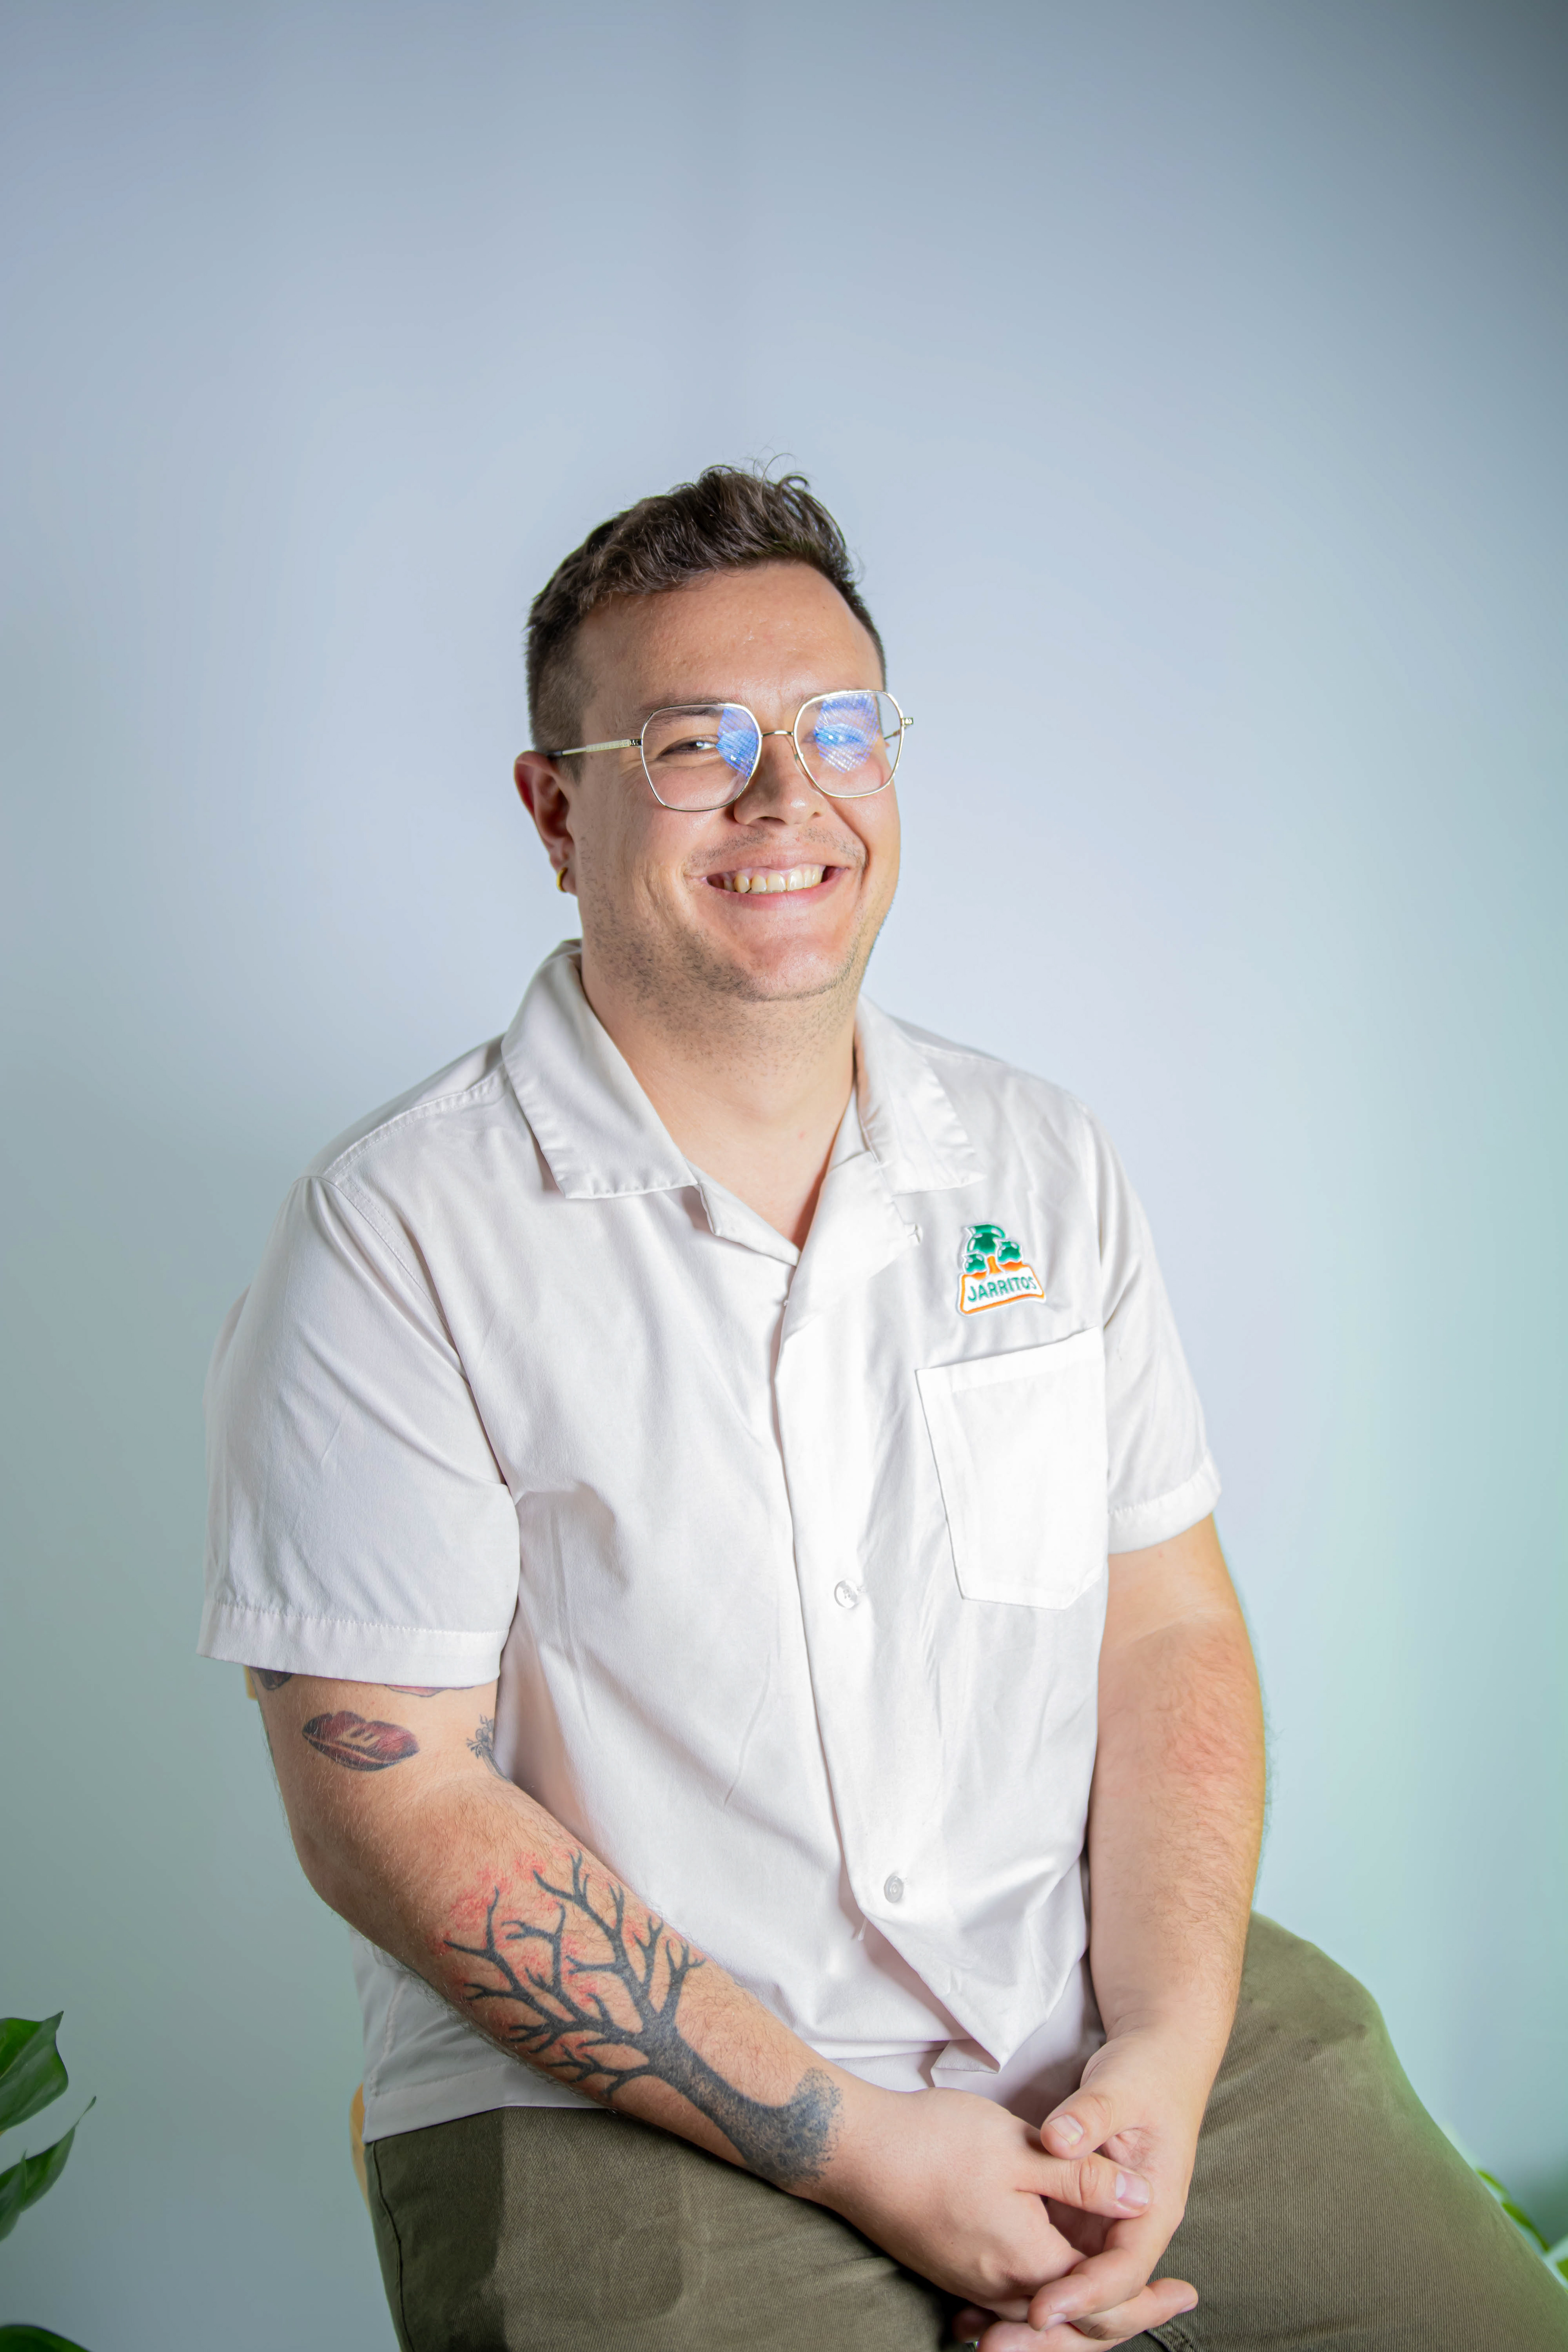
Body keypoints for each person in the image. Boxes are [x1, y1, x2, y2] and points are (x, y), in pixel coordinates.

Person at [200, 468, 1566, 2351]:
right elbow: (387, 1795)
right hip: (622, 2098)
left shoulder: (1040, 1161)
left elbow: (1165, 1629)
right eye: (697, 743)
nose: (791, 797)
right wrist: (860, 2148)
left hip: (1088, 2012)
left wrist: (1164, 2059)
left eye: (841, 728)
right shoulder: (397, 1230)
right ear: (556, 807)